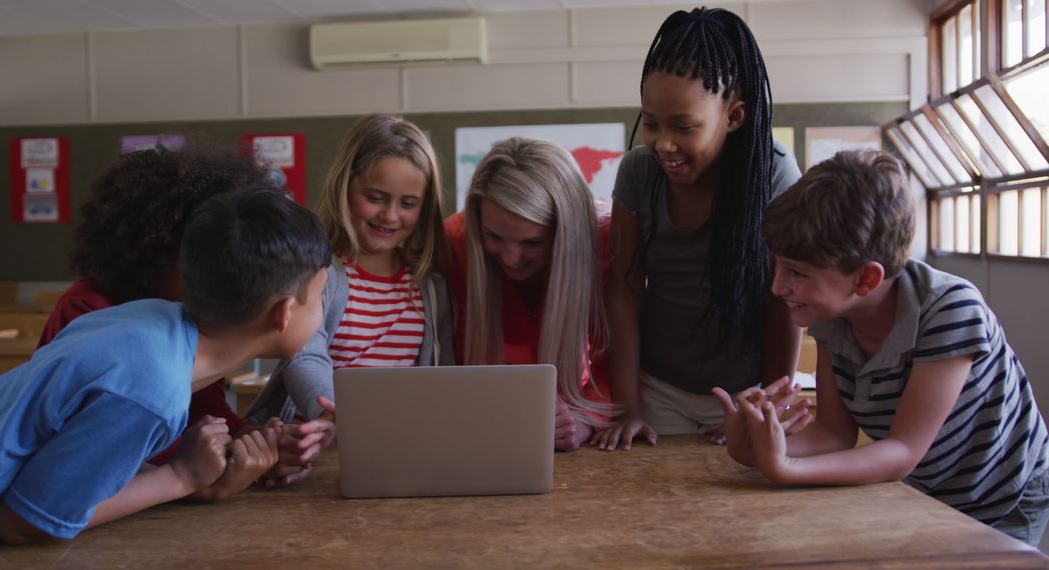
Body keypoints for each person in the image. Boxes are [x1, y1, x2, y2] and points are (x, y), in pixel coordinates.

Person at [717, 149, 1049, 546]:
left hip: (1002, 498)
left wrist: (786, 468)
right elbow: (833, 434)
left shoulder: (950, 310)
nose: (776, 287)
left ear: (865, 279)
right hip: (926, 494)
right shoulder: (829, 318)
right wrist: (756, 447)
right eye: (779, 266)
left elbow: (902, 450)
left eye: (797, 273)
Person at [0, 187, 332, 546]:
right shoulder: (151, 390)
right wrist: (181, 477)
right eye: (319, 298)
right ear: (283, 313)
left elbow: (73, 455)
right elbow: (23, 521)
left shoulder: (148, 321)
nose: (322, 313)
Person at [37, 146, 329, 491]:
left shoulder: (198, 325)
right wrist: (197, 478)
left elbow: (206, 414)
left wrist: (258, 444)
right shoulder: (94, 312)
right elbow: (76, 469)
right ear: (160, 252)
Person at [595, 8, 803, 450]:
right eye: (650, 123)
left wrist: (765, 405)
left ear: (734, 116)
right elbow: (624, 290)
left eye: (683, 127)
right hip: (658, 392)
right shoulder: (638, 172)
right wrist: (628, 406)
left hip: (746, 392)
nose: (662, 144)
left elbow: (784, 298)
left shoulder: (773, 174)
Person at [244, 114, 454, 425]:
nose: (390, 216)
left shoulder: (431, 289)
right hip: (318, 440)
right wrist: (336, 416)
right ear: (345, 187)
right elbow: (305, 356)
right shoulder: (317, 276)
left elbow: (442, 372)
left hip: (397, 444)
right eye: (375, 198)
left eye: (408, 203)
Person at [444, 137, 613, 451]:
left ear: (568, 232)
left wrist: (585, 420)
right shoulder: (454, 243)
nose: (511, 257)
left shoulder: (607, 242)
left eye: (532, 242)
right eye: (493, 237)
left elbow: (619, 360)